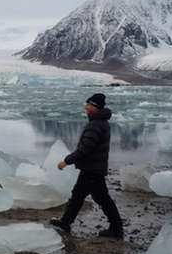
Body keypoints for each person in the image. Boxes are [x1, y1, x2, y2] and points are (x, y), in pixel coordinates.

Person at [50, 93, 123, 239]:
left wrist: (66, 161)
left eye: (88, 105)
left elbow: (85, 149)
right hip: (94, 168)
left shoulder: (95, 125)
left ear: (95, 107)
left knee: (89, 197)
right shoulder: (101, 123)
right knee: (88, 196)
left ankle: (116, 229)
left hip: (92, 169)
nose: (86, 107)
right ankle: (66, 222)